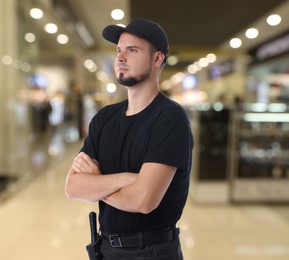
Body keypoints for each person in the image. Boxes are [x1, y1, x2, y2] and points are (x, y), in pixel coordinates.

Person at [65, 18, 193, 260]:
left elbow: (144, 200)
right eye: (118, 50)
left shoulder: (170, 118)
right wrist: (126, 180)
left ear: (157, 59)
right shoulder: (105, 118)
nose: (120, 58)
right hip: (106, 248)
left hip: (152, 251)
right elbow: (73, 187)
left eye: (132, 50)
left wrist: (96, 184)